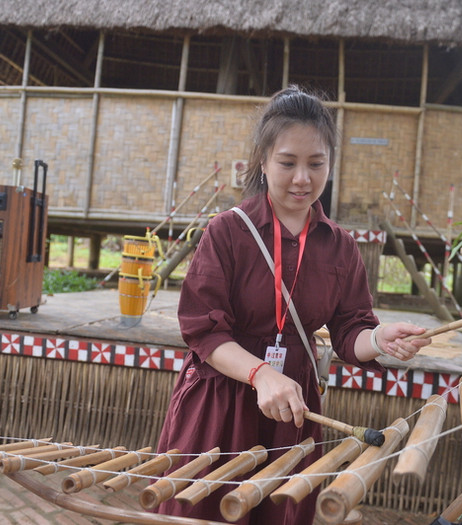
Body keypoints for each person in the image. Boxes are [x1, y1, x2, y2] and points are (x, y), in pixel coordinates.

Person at [155, 85, 432, 524]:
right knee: (204, 510)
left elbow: (348, 332)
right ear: (262, 163)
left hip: (293, 411)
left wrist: (379, 338)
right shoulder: (227, 232)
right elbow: (204, 331)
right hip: (220, 403)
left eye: (316, 164)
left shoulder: (341, 246)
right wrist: (261, 373)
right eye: (287, 163)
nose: (302, 178)